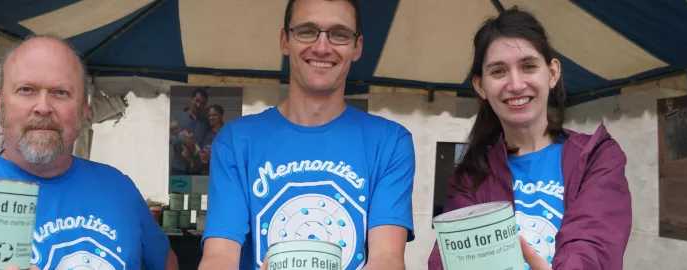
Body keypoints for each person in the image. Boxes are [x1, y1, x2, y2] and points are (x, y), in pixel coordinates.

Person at [0, 35, 178, 270]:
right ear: (1, 103)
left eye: (60, 93)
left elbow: (166, 262)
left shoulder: (120, 188)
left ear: (83, 110)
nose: (43, 107)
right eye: (26, 90)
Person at [198, 0, 415, 269]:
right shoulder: (235, 141)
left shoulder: (390, 142)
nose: (322, 47)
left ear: (357, 47)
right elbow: (219, 257)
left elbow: (387, 258)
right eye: (306, 31)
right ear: (284, 41)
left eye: (339, 34)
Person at [427, 8, 632, 270]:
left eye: (528, 66)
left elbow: (593, 244)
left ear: (552, 73)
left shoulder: (597, 155)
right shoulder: (469, 176)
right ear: (480, 86)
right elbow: (447, 260)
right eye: (498, 71)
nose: (515, 84)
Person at [170, 88, 209, 175]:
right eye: (197, 100)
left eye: (202, 103)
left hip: (197, 169)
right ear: (191, 99)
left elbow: (206, 143)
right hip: (178, 167)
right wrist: (182, 139)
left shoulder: (205, 122)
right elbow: (168, 138)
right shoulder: (177, 117)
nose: (198, 105)